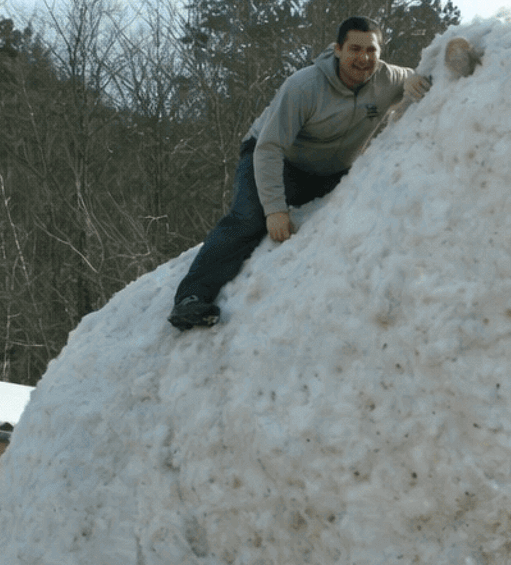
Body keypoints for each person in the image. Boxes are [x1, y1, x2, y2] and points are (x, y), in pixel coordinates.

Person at [169, 17, 428, 330]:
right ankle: (191, 298)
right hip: (278, 160)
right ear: (337, 49)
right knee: (248, 219)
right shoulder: (305, 86)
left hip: (332, 171)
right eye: (354, 49)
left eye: (371, 50)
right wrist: (275, 209)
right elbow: (269, 149)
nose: (363, 58)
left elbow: (424, 74)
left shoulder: (389, 78)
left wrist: (416, 79)